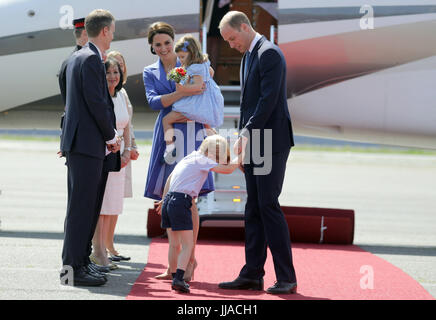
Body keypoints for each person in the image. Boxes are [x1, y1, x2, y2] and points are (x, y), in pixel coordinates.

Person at [217, 11, 297, 294]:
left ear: (245, 26)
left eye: (232, 38)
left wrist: (245, 135)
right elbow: (247, 105)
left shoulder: (269, 54)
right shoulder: (250, 55)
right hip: (257, 142)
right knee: (253, 208)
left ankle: (287, 277)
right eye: (227, 40)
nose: (230, 44)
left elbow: (268, 100)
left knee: (267, 206)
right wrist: (247, 143)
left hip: (271, 142)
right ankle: (252, 273)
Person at [143, 21, 214, 281]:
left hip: (191, 132)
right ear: (152, 46)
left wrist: (178, 96)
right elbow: (152, 102)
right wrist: (181, 92)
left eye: (167, 43)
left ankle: (190, 261)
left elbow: (202, 89)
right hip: (167, 134)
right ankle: (174, 264)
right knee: (167, 196)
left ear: (174, 42)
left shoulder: (187, 64)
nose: (163, 48)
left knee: (189, 199)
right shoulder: (151, 71)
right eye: (158, 44)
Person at [60, 9, 121, 287]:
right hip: (87, 144)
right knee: (81, 208)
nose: (114, 34)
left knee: (84, 208)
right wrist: (111, 136)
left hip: (82, 143)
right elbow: (95, 102)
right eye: (113, 29)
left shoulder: (78, 56)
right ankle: (72, 271)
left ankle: (81, 263)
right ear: (105, 30)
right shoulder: (92, 59)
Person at [156, 135, 243, 293]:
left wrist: (163, 200)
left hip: (169, 199)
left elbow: (170, 177)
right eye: (220, 156)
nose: (219, 160)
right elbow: (229, 169)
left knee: (175, 244)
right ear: (214, 153)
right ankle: (179, 278)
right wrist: (243, 154)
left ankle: (174, 273)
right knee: (188, 244)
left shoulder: (190, 156)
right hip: (181, 201)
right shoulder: (204, 159)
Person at [90, 58, 131, 270]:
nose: (113, 76)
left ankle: (105, 248)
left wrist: (127, 151)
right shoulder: (100, 95)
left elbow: (127, 125)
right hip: (106, 152)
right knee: (102, 205)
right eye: (108, 73)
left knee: (113, 205)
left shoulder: (121, 95)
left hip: (120, 155)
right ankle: (98, 251)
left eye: (116, 72)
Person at [162, 34, 224, 161]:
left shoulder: (195, 67)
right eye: (179, 57)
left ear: (191, 53)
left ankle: (170, 149)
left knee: (166, 120)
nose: (181, 60)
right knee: (207, 126)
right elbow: (211, 73)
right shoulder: (203, 63)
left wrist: (182, 89)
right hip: (206, 102)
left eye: (182, 57)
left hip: (195, 104)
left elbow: (198, 86)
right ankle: (219, 146)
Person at [106, 50, 139, 262]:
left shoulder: (123, 92)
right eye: (111, 67)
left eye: (119, 66)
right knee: (107, 202)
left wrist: (132, 146)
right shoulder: (110, 93)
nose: (115, 72)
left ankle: (109, 244)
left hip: (124, 151)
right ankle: (104, 246)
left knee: (116, 202)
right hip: (114, 150)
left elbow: (128, 124)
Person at [57, 18, 88, 156]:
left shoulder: (68, 61)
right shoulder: (85, 62)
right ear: (86, 33)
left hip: (73, 131)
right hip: (84, 132)